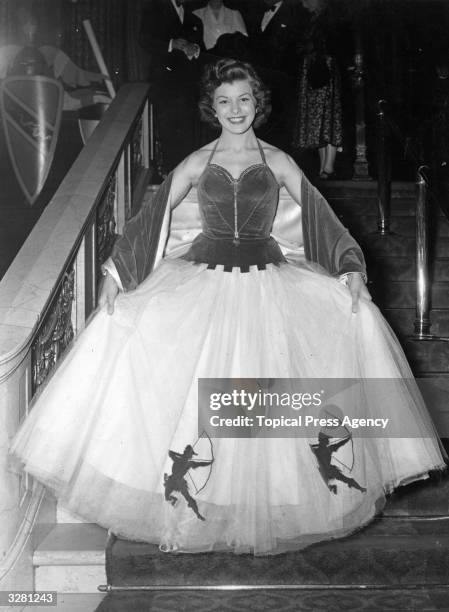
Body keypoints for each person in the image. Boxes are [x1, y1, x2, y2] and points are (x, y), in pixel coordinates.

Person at [9, 59, 446, 556]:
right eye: (224, 101)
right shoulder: (196, 162)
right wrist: (115, 273)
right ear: (211, 107)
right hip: (203, 284)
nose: (235, 110)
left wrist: (350, 268)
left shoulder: (279, 160)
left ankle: (257, 502)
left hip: (267, 286)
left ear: (257, 102)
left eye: (243, 99)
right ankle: (194, 508)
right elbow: (150, 218)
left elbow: (321, 218)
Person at [138, 0, 204, 174]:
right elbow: (144, 40)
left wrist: (195, 48)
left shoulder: (195, 20)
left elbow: (202, 50)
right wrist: (171, 44)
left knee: (189, 134)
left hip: (188, 88)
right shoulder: (154, 10)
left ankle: (189, 177)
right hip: (165, 85)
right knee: (168, 134)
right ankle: (171, 179)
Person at [242, 0, 311, 150]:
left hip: (284, 82)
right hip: (261, 80)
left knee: (282, 129)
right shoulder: (256, 12)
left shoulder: (296, 13)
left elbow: (298, 49)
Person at [292, 0, 343, 179]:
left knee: (328, 117)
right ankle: (323, 166)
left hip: (325, 69)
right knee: (318, 122)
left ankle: (329, 166)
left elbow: (335, 44)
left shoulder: (330, 18)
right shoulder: (313, 20)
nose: (304, 4)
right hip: (313, 67)